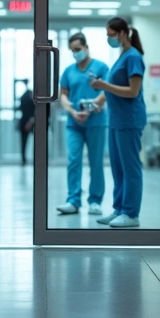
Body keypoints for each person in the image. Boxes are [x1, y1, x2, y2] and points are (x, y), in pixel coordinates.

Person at [91, 17, 147, 228]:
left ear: (123, 33)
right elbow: (114, 88)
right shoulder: (122, 56)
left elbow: (133, 91)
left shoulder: (133, 57)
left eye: (111, 35)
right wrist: (99, 99)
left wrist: (104, 85)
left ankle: (131, 213)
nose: (109, 38)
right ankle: (120, 209)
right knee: (118, 168)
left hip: (129, 120)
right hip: (115, 120)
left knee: (130, 168)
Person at [56, 32, 109, 216]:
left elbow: (106, 92)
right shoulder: (68, 71)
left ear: (86, 47)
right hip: (74, 123)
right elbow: (63, 95)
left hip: (96, 122)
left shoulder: (101, 67)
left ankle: (95, 201)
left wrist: (89, 109)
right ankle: (73, 200)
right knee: (73, 161)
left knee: (96, 162)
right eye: (72, 50)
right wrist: (72, 111)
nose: (75, 53)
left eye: (78, 49)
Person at [17, 79, 36, 166]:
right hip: (29, 121)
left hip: (28, 121)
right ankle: (24, 159)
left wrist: (30, 121)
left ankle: (24, 159)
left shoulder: (25, 96)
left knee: (25, 142)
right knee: (26, 142)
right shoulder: (28, 96)